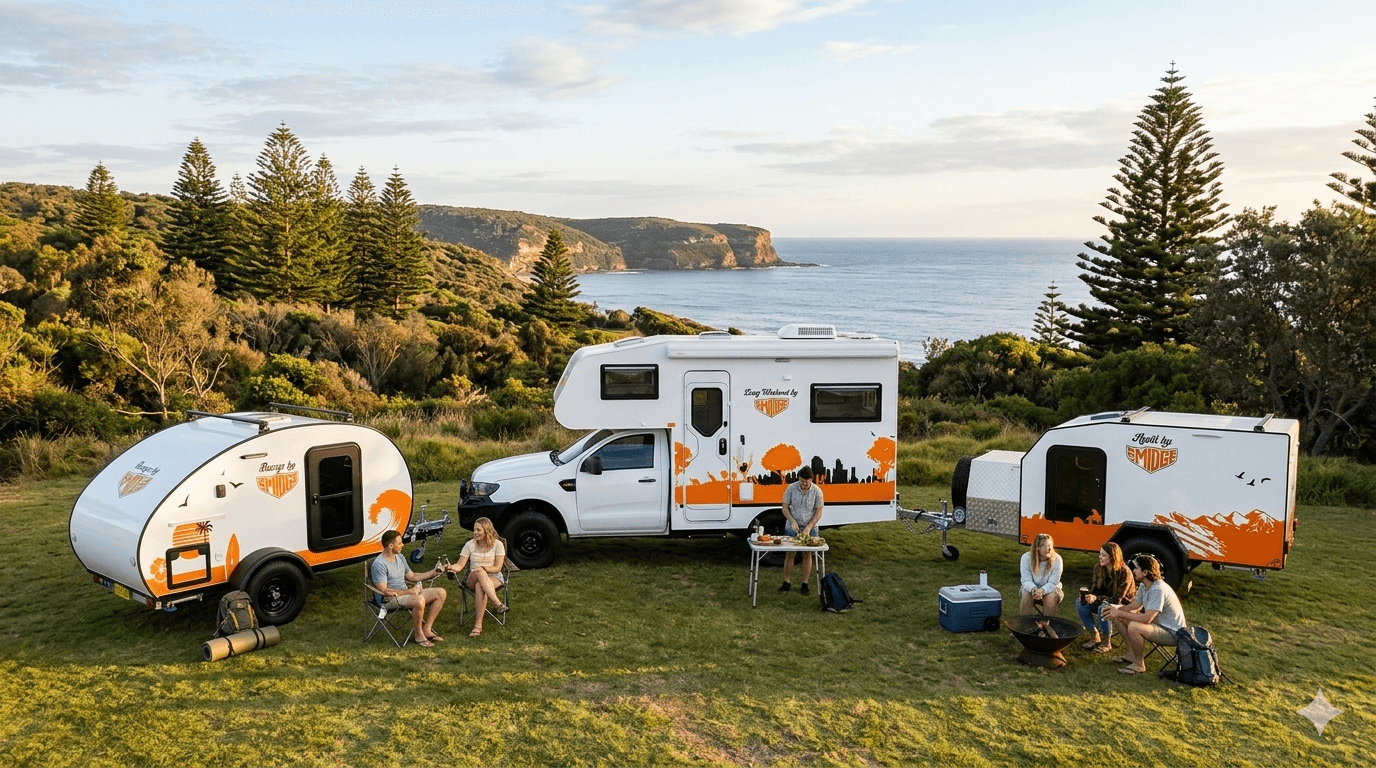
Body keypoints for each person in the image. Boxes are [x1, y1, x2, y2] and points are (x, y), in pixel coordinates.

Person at [1104, 553, 1187, 675]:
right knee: (1118, 618)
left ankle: (1139, 665)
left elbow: (1146, 619)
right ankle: (1131, 655)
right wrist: (1115, 609)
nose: (1133, 571)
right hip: (1158, 626)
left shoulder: (1158, 589)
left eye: (1136, 568)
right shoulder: (1144, 585)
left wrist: (1119, 612)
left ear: (1145, 572)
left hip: (1172, 633)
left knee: (1134, 627)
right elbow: (1135, 606)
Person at [370, 529, 449, 647]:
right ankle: (419, 635)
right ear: (391, 546)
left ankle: (427, 629)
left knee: (441, 593)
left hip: (406, 595)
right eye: (400, 543)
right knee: (419, 600)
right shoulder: (379, 564)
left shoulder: (400, 557)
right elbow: (383, 590)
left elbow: (412, 576)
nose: (403, 545)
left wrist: (433, 572)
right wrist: (409, 591)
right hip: (389, 600)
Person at [442, 517, 509, 637]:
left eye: (478, 530)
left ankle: (478, 626)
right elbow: (459, 565)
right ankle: (497, 603)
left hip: (494, 578)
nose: (475, 533)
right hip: (472, 578)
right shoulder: (470, 544)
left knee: (480, 585)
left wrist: (484, 569)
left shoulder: (498, 544)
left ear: (487, 530)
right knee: (479, 573)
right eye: (474, 530)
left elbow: (498, 568)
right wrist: (450, 567)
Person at [1075, 542, 1136, 653]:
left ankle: (1106, 642)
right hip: (1105, 599)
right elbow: (1095, 589)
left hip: (1124, 604)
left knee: (1103, 607)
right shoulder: (1099, 568)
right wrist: (1089, 595)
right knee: (1080, 603)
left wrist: (1096, 599)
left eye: (1103, 555)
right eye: (1100, 554)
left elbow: (1117, 599)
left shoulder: (1124, 572)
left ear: (1112, 557)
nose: (1100, 557)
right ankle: (1094, 636)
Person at [779, 466, 824, 596]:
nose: (804, 484)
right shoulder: (791, 488)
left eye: (807, 482)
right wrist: (792, 520)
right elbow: (785, 507)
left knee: (807, 554)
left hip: (810, 528)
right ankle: (786, 582)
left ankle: (804, 584)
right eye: (802, 481)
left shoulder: (817, 491)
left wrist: (809, 527)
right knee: (790, 554)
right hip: (792, 527)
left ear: (811, 480)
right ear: (799, 479)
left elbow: (819, 511)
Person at [1018, 532, 1064, 616]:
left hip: (1052, 588)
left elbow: (1054, 582)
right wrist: (1034, 589)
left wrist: (1042, 591)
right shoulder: (1026, 558)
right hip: (1031, 588)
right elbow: (1026, 580)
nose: (1049, 549)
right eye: (1045, 546)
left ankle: (1047, 624)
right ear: (1038, 548)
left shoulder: (1057, 559)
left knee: (1050, 598)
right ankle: (1024, 624)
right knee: (1026, 596)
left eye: (1050, 545)